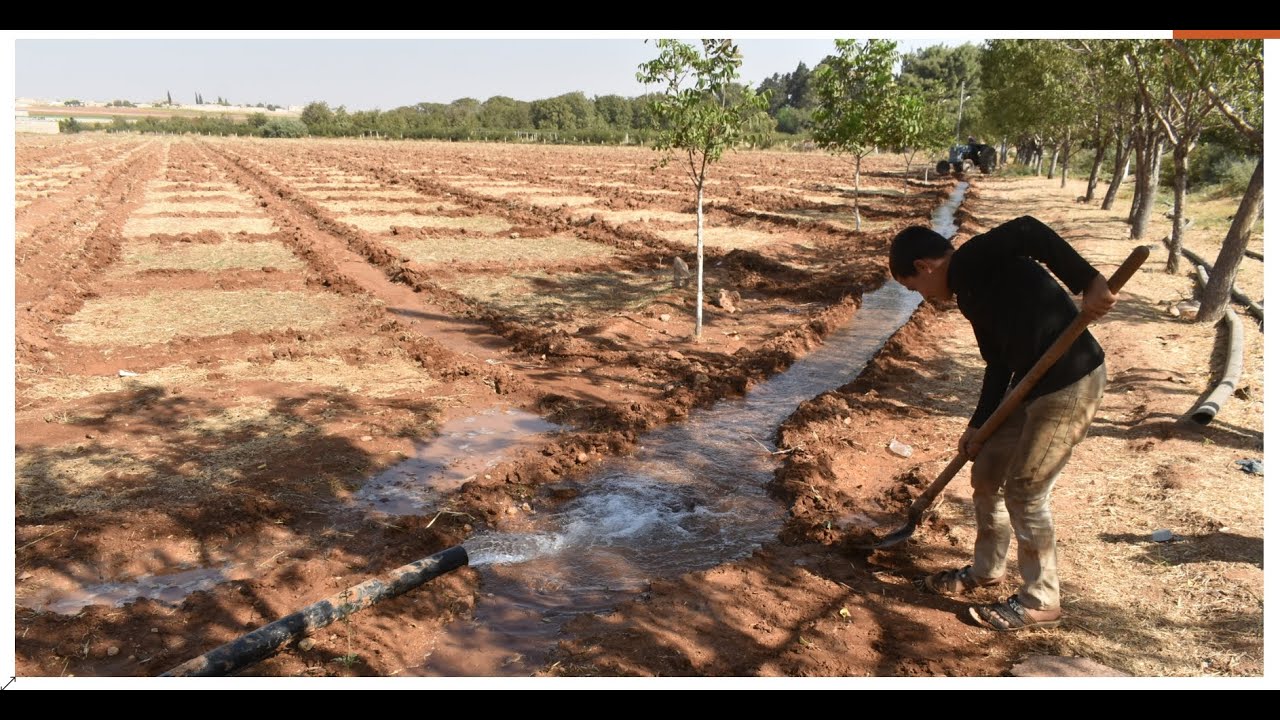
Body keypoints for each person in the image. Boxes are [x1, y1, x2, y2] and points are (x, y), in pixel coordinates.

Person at [888, 216, 1117, 631]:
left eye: (913, 287)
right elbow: (996, 361)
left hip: (1069, 382)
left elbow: (1029, 230)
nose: (920, 296)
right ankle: (985, 570)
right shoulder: (969, 295)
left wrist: (1088, 280)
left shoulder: (974, 258)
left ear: (924, 266)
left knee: (1026, 489)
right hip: (1028, 384)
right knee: (988, 471)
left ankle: (1041, 601)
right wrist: (979, 425)